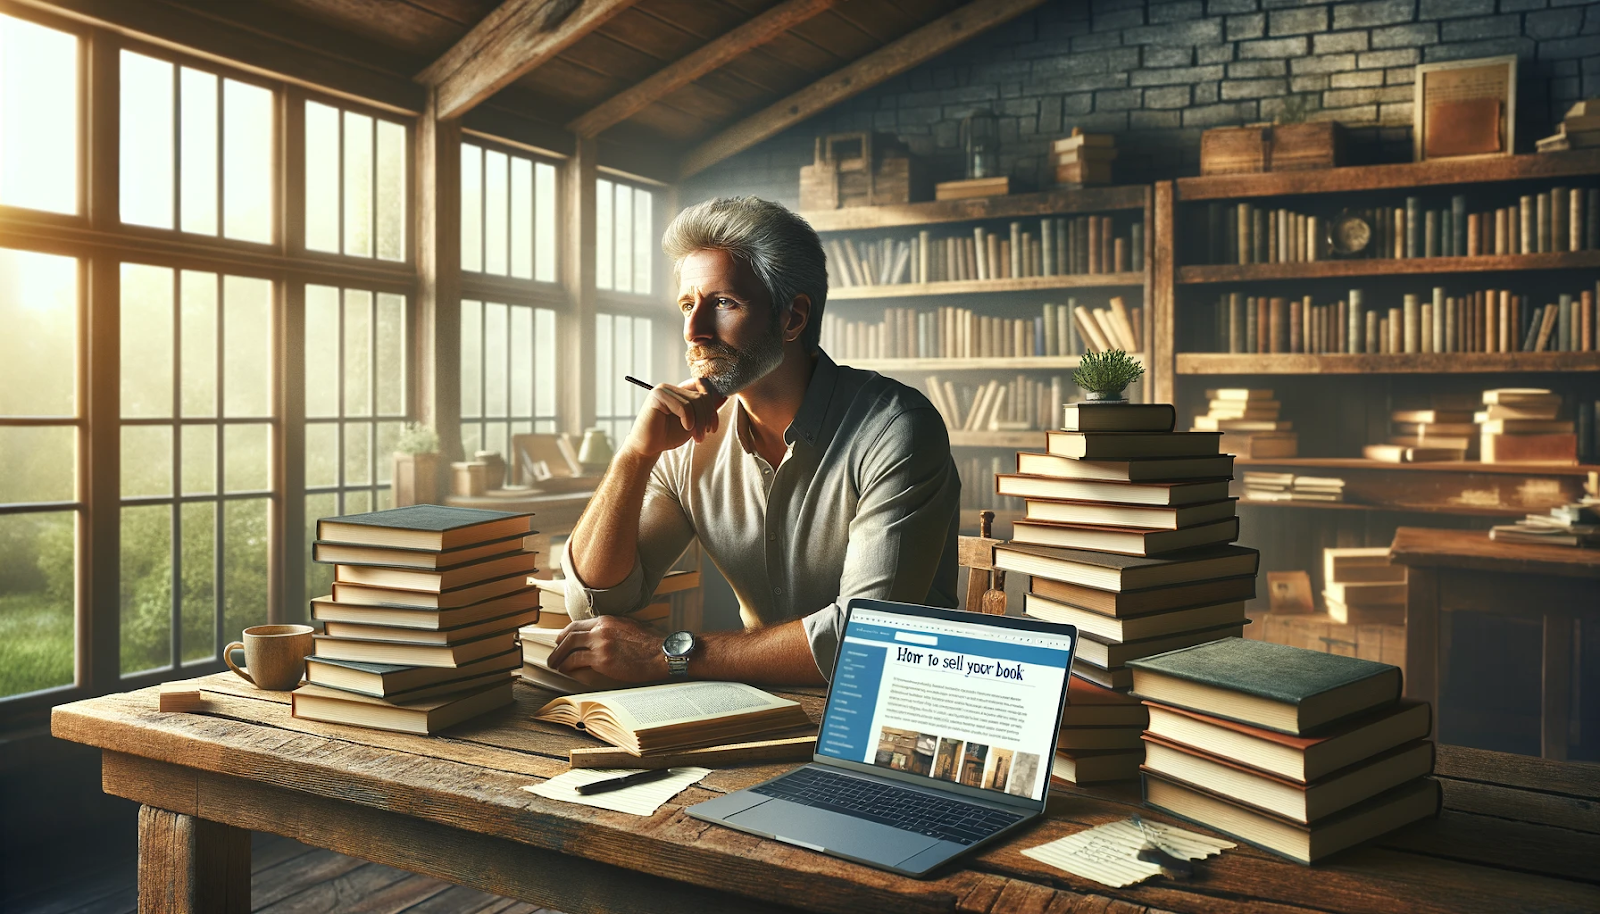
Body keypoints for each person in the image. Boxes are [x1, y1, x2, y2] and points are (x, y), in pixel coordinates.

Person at [550, 196, 960, 686]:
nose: (693, 331)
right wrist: (634, 457)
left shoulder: (896, 430)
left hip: (893, 713)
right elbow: (596, 602)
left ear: (792, 318)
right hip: (756, 707)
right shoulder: (684, 437)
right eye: (687, 304)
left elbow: (866, 641)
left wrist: (668, 655)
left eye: (723, 303)